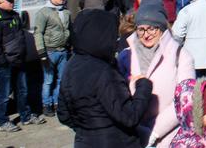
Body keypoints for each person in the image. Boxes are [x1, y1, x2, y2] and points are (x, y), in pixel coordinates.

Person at [57, 9, 153, 147]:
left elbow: (64, 114)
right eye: (113, 36)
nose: (115, 41)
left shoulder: (71, 66)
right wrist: (143, 85)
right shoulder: (104, 71)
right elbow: (130, 116)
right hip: (115, 141)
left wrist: (87, 130)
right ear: (100, 36)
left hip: (84, 141)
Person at [121, 0, 196, 147]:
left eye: (152, 29)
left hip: (169, 137)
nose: (146, 34)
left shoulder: (181, 56)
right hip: (132, 135)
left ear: (161, 27)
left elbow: (185, 100)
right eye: (141, 29)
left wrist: (154, 132)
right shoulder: (125, 56)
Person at [0, 0, 46, 131]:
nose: (13, 3)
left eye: (13, 0)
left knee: (22, 90)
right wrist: (3, 61)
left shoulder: (15, 16)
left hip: (19, 60)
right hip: (5, 64)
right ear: (0, 2)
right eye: (10, 1)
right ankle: (2, 122)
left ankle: (25, 116)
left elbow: (20, 38)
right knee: (4, 94)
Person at [33, 0, 71, 117]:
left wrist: (70, 45)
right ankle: (46, 105)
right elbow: (38, 33)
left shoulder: (66, 12)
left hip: (63, 51)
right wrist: (42, 53)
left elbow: (68, 30)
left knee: (61, 79)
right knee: (48, 80)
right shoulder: (44, 13)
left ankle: (57, 103)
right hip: (49, 52)